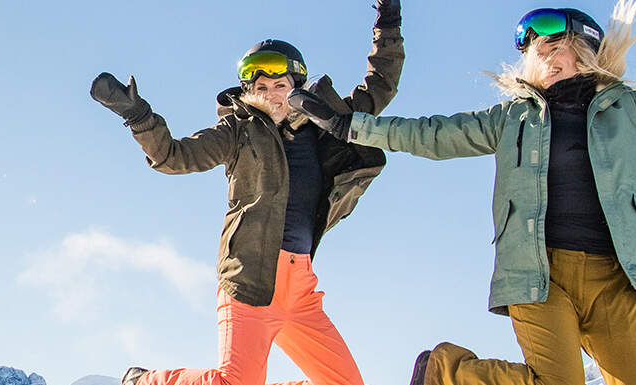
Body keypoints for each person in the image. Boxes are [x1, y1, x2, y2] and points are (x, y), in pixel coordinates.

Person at [286, 1, 636, 385]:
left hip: (614, 277)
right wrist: (347, 127)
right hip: (536, 273)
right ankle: (444, 372)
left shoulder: (634, 111)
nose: (545, 56)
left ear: (585, 50)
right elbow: (428, 133)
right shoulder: (510, 118)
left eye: (557, 46)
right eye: (537, 50)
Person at [87, 1, 404, 385]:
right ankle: (144, 381)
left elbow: (380, 85)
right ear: (249, 91)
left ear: (297, 86)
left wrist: (387, 20)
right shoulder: (238, 131)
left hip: (300, 289)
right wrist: (139, 116)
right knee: (235, 381)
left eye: (280, 86)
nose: (271, 94)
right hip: (250, 279)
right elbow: (174, 155)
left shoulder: (327, 123)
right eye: (262, 87)